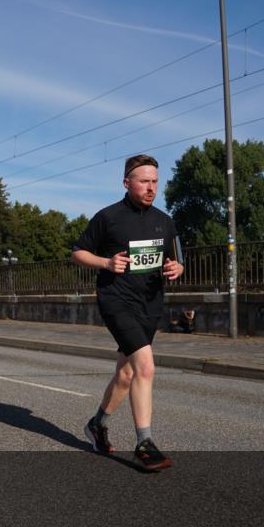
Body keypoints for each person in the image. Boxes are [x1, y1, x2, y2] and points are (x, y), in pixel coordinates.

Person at [72, 154, 184, 471]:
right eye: (144, 181)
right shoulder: (108, 218)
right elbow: (77, 253)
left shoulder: (165, 220)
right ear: (127, 183)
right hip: (116, 300)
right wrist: (107, 263)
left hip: (150, 305)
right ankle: (144, 443)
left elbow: (178, 258)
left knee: (126, 373)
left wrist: (177, 268)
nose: (151, 188)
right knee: (145, 367)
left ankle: (97, 424)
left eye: (155, 182)